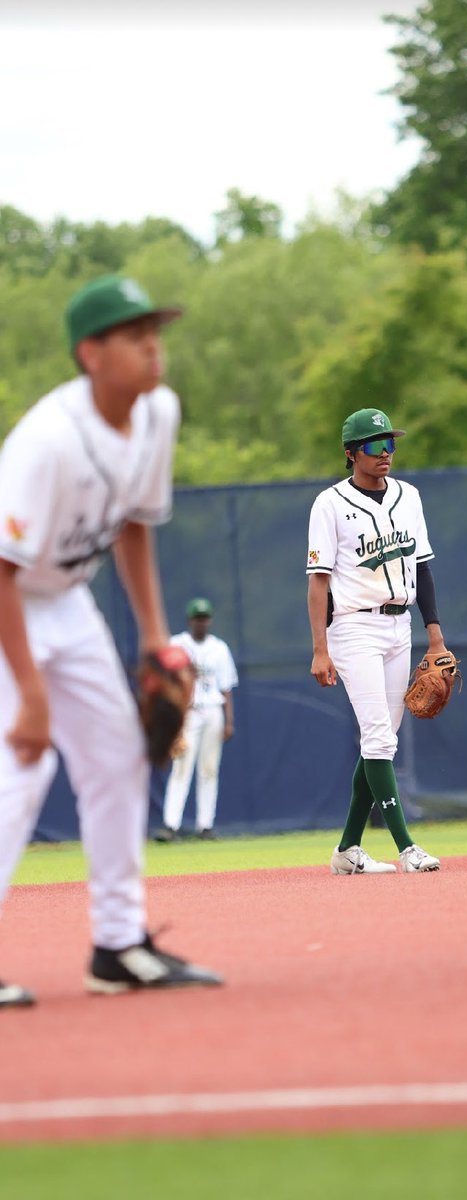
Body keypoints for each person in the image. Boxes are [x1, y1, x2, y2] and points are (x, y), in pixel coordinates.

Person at [0, 274, 224, 1008]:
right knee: (20, 769)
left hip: (66, 601)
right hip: (9, 601)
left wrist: (156, 637)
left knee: (118, 757)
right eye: (134, 335)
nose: (153, 346)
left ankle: (119, 947)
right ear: (90, 353)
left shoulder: (157, 413)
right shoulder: (48, 440)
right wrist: (31, 695)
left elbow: (133, 521)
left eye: (155, 330)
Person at [307, 407, 452, 874]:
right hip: (352, 628)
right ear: (351, 454)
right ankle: (407, 847)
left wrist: (435, 637)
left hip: (399, 624)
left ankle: (348, 850)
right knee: (377, 737)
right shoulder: (329, 504)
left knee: (381, 741)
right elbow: (318, 582)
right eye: (374, 445)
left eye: (390, 443)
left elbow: (423, 567)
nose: (385, 452)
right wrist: (320, 650)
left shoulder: (409, 496)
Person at [154, 597, 238, 842]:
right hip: (187, 712)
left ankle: (205, 825)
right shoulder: (178, 644)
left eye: (204, 618)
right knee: (181, 767)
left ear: (209, 620)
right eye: (197, 618)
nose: (201, 622)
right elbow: (168, 683)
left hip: (213, 709)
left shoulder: (219, 648)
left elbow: (226, 688)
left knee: (209, 769)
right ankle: (171, 825)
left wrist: (229, 720)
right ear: (190, 620)